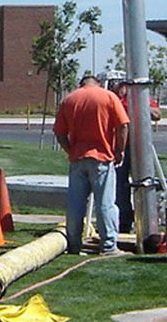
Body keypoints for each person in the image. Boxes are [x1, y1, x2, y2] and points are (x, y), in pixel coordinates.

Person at [53, 75, 130, 255]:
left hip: (78, 159)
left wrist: (70, 150)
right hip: (102, 158)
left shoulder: (69, 100)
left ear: (81, 84)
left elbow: (59, 132)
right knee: (105, 204)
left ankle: (73, 244)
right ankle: (109, 245)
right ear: (97, 83)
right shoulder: (108, 97)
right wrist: (120, 150)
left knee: (75, 204)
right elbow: (123, 125)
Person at [112, 83, 161, 233]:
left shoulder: (142, 98)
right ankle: (124, 221)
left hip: (141, 147)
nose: (121, 88)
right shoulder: (114, 99)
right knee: (120, 185)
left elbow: (157, 115)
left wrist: (141, 106)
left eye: (124, 84)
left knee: (145, 182)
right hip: (121, 147)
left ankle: (148, 221)